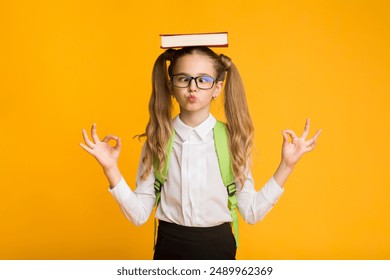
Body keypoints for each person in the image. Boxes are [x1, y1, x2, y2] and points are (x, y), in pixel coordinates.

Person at [80, 46, 321, 260]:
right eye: (183, 78)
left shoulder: (232, 141)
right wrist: (111, 169)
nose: (193, 87)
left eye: (203, 79)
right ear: (171, 86)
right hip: (169, 248)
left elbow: (252, 212)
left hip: (219, 248)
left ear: (217, 88)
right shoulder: (157, 141)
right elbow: (139, 215)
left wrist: (287, 166)